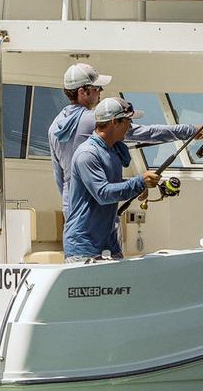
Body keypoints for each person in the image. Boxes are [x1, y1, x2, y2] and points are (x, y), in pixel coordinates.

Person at [46, 65, 192, 203]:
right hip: (95, 208)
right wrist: (190, 131)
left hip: (71, 204)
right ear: (82, 92)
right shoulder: (94, 119)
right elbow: (147, 133)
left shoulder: (54, 126)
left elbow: (59, 176)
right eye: (97, 87)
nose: (101, 90)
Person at [62, 101, 178, 261]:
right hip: (84, 249)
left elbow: (111, 184)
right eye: (128, 120)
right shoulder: (87, 154)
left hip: (109, 246)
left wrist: (138, 186)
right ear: (114, 122)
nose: (130, 126)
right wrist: (138, 182)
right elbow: (103, 193)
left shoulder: (111, 151)